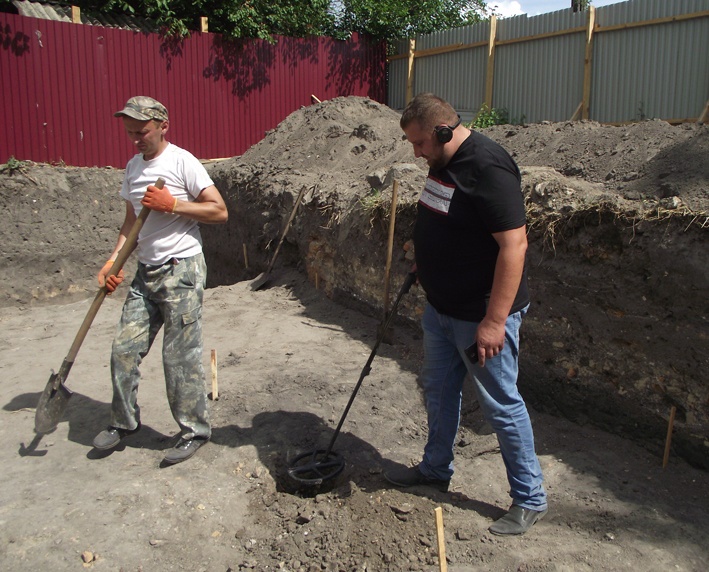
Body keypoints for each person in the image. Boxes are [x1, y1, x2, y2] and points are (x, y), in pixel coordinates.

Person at [384, 93, 547, 536]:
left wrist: (494, 322)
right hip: (440, 309)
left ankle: (530, 498)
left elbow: (514, 246)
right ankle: (436, 470)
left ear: (442, 132)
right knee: (437, 391)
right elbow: (443, 215)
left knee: (500, 405)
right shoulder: (441, 162)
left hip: (480, 315)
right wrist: (427, 261)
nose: (415, 153)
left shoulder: (488, 168)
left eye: (419, 143)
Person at [92, 96, 228, 465]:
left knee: (178, 357)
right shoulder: (133, 167)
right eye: (131, 133)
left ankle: (194, 431)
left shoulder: (183, 162)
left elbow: (219, 211)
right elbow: (130, 222)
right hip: (145, 272)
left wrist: (174, 205)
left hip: (181, 269)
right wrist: (113, 261)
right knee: (123, 349)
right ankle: (124, 422)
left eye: (143, 131)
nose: (136, 139)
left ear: (163, 126)